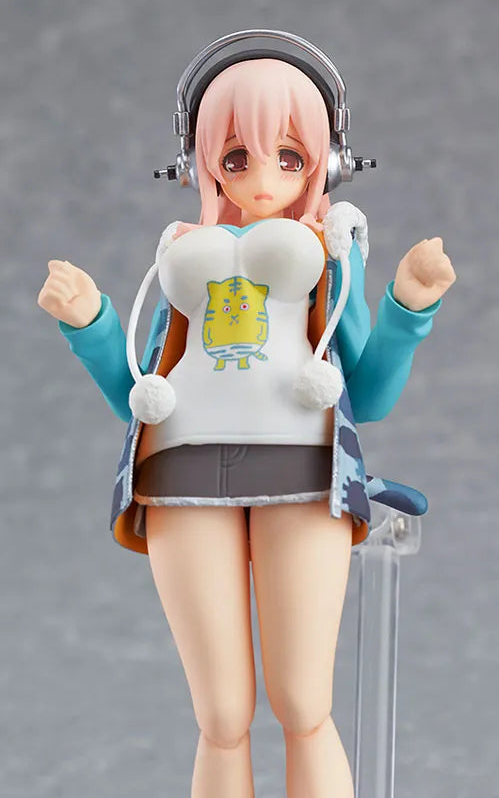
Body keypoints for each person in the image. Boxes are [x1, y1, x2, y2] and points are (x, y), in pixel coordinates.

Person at [37, 43, 455, 798]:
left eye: (289, 158)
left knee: (304, 704)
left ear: (325, 164)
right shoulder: (182, 257)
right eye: (237, 157)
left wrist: (408, 307)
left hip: (304, 472)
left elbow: (368, 394)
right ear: (202, 164)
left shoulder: (330, 251)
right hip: (180, 472)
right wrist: (91, 323)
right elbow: (138, 392)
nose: (263, 178)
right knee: (222, 715)